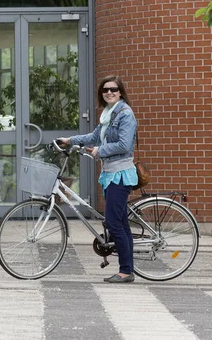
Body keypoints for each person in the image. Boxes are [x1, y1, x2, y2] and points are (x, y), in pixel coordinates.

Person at [58, 75, 138, 283]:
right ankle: (127, 267)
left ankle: (126, 271)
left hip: (121, 174)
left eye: (113, 89)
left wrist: (100, 151)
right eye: (105, 90)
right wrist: (70, 140)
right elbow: (94, 136)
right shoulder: (107, 114)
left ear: (120, 92)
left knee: (113, 222)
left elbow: (124, 145)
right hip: (110, 173)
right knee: (120, 222)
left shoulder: (125, 114)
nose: (109, 92)